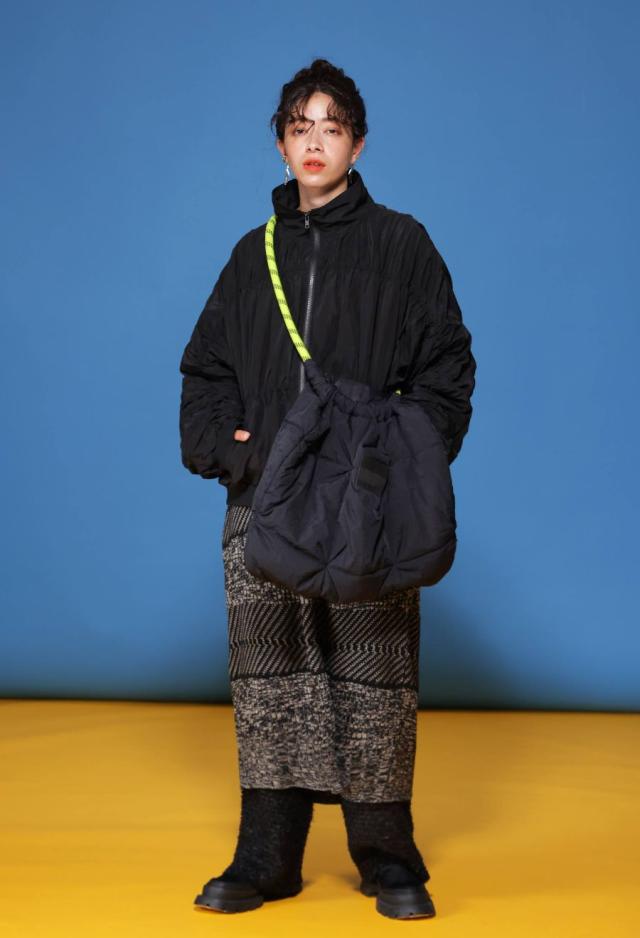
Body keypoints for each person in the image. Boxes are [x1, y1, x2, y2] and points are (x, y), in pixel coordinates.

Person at [179, 58, 476, 920]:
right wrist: (238, 457)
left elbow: (447, 370)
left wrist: (398, 469)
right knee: (271, 677)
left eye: (332, 127)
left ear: (358, 144)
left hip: (363, 504)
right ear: (280, 145)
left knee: (374, 674)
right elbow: (206, 371)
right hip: (265, 500)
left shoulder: (402, 246)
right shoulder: (252, 256)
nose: (315, 141)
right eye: (299, 127)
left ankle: (388, 859)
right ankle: (267, 858)